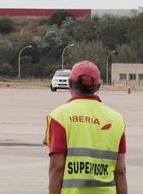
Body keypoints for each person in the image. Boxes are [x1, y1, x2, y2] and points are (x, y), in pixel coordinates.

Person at [45, 61, 128, 194]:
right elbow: (120, 170)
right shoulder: (116, 119)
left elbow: (57, 167)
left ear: (70, 83)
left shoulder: (60, 117)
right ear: (98, 86)